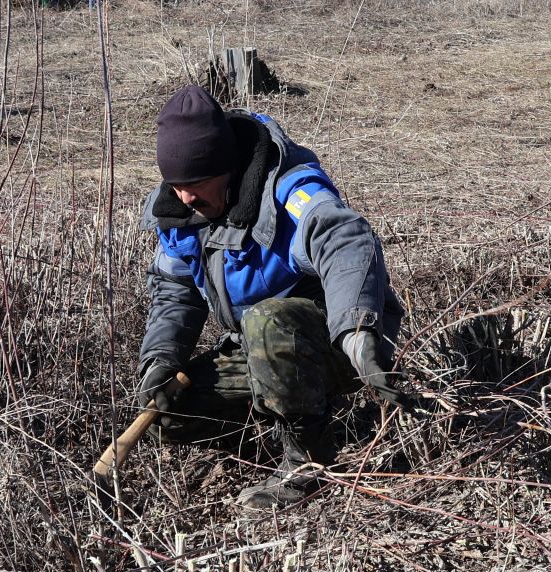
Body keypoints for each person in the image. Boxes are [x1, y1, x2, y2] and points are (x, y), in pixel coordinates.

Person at [136, 84, 407, 510]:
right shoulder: (179, 211)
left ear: (226, 167)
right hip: (259, 345)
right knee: (166, 414)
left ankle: (308, 465)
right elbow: (174, 291)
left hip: (338, 337)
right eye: (176, 184)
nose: (186, 196)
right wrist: (161, 360)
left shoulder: (289, 189)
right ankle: (290, 421)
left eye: (197, 182)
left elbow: (344, 239)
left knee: (268, 321)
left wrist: (358, 333)